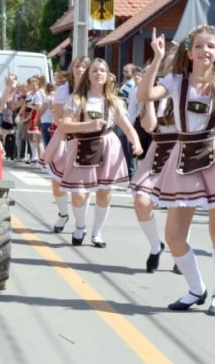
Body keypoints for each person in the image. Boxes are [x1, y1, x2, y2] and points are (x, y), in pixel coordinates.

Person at [139, 25, 215, 317]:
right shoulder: (175, 80)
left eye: (211, 47)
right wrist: (156, 58)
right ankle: (196, 288)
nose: (205, 51)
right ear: (189, 53)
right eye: (199, 46)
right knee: (174, 235)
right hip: (182, 157)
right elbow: (144, 94)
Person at [56, 58, 142, 248]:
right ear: (89, 75)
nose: (98, 74)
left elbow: (128, 128)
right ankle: (80, 226)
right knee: (79, 193)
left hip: (108, 146)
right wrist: (88, 124)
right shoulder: (77, 99)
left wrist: (136, 143)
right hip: (83, 146)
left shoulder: (114, 102)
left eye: (102, 70)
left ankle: (97, 233)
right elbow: (65, 125)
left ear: (107, 75)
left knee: (105, 192)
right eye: (94, 70)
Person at [128, 44, 179, 273]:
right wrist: (148, 97)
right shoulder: (158, 91)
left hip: (183, 151)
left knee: (180, 205)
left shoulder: (190, 89)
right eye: (169, 62)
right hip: (159, 149)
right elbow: (149, 126)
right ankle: (155, 245)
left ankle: (180, 252)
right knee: (141, 200)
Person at [43, 56, 90, 232]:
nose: (80, 69)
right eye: (77, 66)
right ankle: (63, 214)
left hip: (87, 139)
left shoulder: (93, 90)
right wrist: (71, 124)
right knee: (56, 180)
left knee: (84, 184)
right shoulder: (63, 90)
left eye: (84, 67)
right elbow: (57, 118)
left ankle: (81, 223)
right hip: (64, 136)